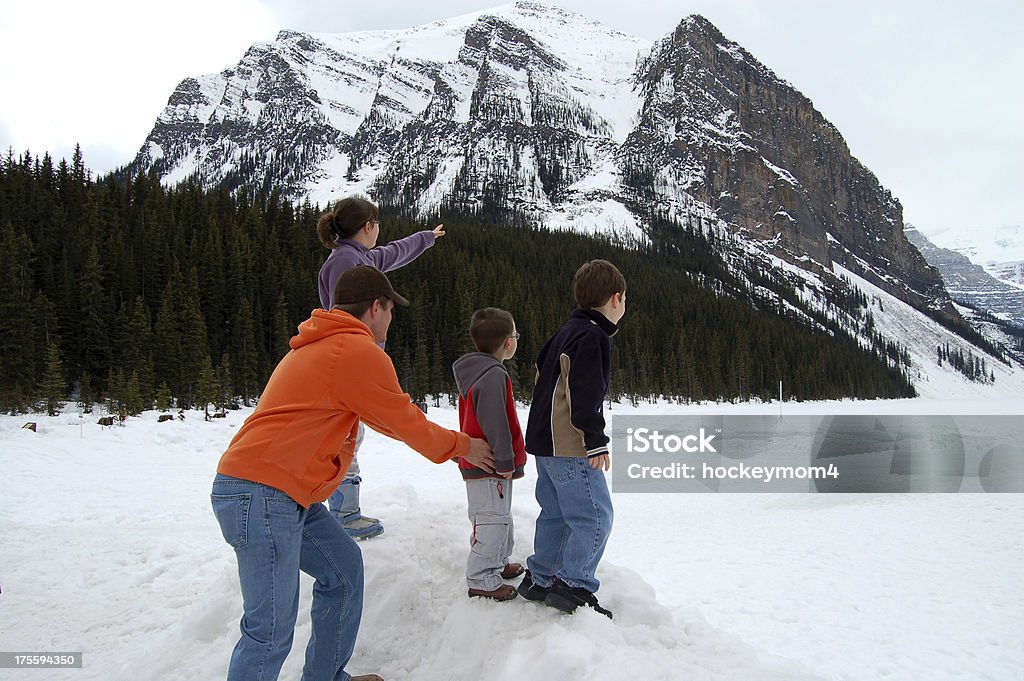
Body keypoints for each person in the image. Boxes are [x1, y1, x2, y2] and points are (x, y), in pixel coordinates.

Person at [211, 265, 494, 681]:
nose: (392, 319)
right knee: (268, 630)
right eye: (391, 309)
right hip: (262, 494)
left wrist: (448, 445)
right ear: (376, 307)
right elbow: (405, 421)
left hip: (283, 494)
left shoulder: (326, 346)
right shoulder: (354, 350)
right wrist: (464, 445)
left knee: (342, 571)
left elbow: (382, 416)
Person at [316, 196, 446, 539]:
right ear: (368, 227)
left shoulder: (358, 257)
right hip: (349, 361)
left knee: (350, 434)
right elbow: (343, 312)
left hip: (355, 357)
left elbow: (394, 253)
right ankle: (343, 513)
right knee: (346, 435)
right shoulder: (346, 262)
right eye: (378, 225)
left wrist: (427, 237)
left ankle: (342, 510)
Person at [517, 259, 626, 619]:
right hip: (570, 445)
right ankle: (575, 585)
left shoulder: (565, 332)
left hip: (545, 445)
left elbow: (539, 370)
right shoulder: (594, 337)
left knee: (557, 513)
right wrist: (594, 439)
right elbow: (584, 390)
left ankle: (541, 577)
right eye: (624, 300)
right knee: (594, 516)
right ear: (615, 299)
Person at [452, 308, 528, 602]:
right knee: (491, 519)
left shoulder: (478, 372)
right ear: (508, 343)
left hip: (486, 466)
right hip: (490, 467)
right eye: (516, 335)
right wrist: (506, 460)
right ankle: (481, 577)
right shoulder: (493, 375)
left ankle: (496, 563)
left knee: (499, 516)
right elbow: (495, 421)